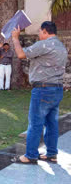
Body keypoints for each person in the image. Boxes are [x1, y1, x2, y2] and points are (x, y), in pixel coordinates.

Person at [11, 22, 67, 164]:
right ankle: (52, 154)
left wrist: (15, 38)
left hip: (43, 89)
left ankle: (30, 155)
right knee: (52, 123)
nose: (38, 35)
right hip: (57, 88)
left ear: (45, 31)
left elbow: (21, 54)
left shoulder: (44, 45)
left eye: (40, 32)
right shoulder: (61, 46)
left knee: (36, 123)